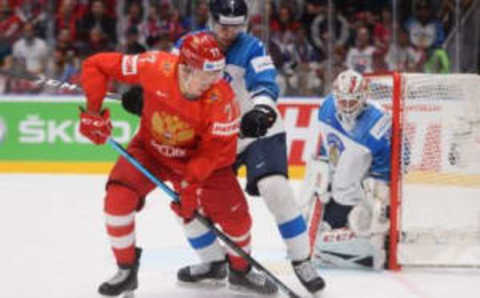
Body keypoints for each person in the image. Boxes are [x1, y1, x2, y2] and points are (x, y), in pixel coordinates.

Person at [120, 0, 326, 294]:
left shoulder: (252, 47)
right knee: (186, 200)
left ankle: (301, 259)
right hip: (214, 136)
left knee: (276, 189)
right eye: (223, 26)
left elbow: (265, 84)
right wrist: (146, 98)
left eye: (236, 26)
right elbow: (171, 82)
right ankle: (214, 264)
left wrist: (262, 112)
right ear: (210, 19)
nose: (229, 33)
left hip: (254, 131)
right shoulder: (188, 46)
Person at [79, 32, 277, 297]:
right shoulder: (153, 65)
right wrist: (93, 113)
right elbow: (96, 64)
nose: (214, 81)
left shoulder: (222, 99)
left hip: (205, 164)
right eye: (207, 74)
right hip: (151, 151)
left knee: (237, 220)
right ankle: (126, 270)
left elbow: (214, 152)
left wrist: (188, 186)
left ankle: (241, 271)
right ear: (185, 67)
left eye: (217, 73)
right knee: (118, 197)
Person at [301, 69, 391, 270]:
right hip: (341, 172)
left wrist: (378, 202)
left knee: (369, 219)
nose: (348, 106)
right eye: (343, 100)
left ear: (364, 98)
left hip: (366, 178)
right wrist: (324, 169)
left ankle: (372, 237)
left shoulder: (379, 123)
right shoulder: (326, 108)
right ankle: (329, 224)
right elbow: (328, 143)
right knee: (312, 182)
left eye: (353, 101)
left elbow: (384, 172)